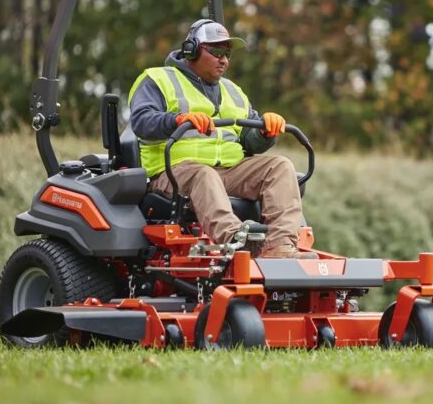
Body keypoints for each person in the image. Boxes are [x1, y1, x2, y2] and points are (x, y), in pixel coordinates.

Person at [127, 19, 316, 259]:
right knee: (203, 173)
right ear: (191, 50)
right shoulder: (157, 80)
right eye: (216, 51)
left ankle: (280, 248)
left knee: (280, 166)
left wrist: (265, 133)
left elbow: (249, 142)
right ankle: (238, 242)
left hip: (229, 170)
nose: (223, 59)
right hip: (173, 172)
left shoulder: (234, 91)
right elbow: (142, 123)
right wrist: (178, 120)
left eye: (227, 53)